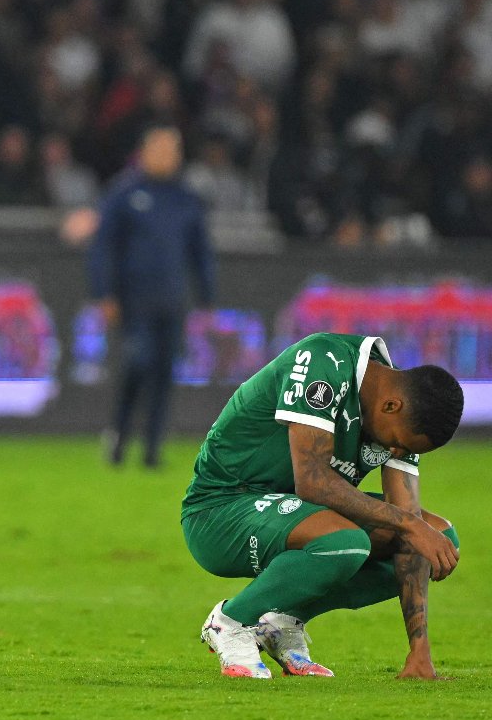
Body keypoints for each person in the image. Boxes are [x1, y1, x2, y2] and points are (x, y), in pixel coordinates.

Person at [183, 332, 463, 680]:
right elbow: (312, 482)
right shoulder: (323, 362)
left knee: (438, 539)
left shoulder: (399, 413)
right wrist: (410, 525)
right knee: (347, 541)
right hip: (220, 511)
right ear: (392, 406)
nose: (396, 453)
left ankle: (280, 621)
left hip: (296, 516)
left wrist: (419, 654)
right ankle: (230, 621)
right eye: (398, 444)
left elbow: (410, 527)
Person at [87, 124, 214, 467]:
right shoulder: (124, 193)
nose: (167, 156)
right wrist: (104, 292)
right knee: (137, 363)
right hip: (134, 300)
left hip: (172, 299)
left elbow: (200, 251)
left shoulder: (186, 199)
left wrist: (207, 296)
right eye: (160, 148)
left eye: (173, 149)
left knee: (164, 372)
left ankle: (152, 449)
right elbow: (104, 246)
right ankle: (119, 433)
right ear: (143, 152)